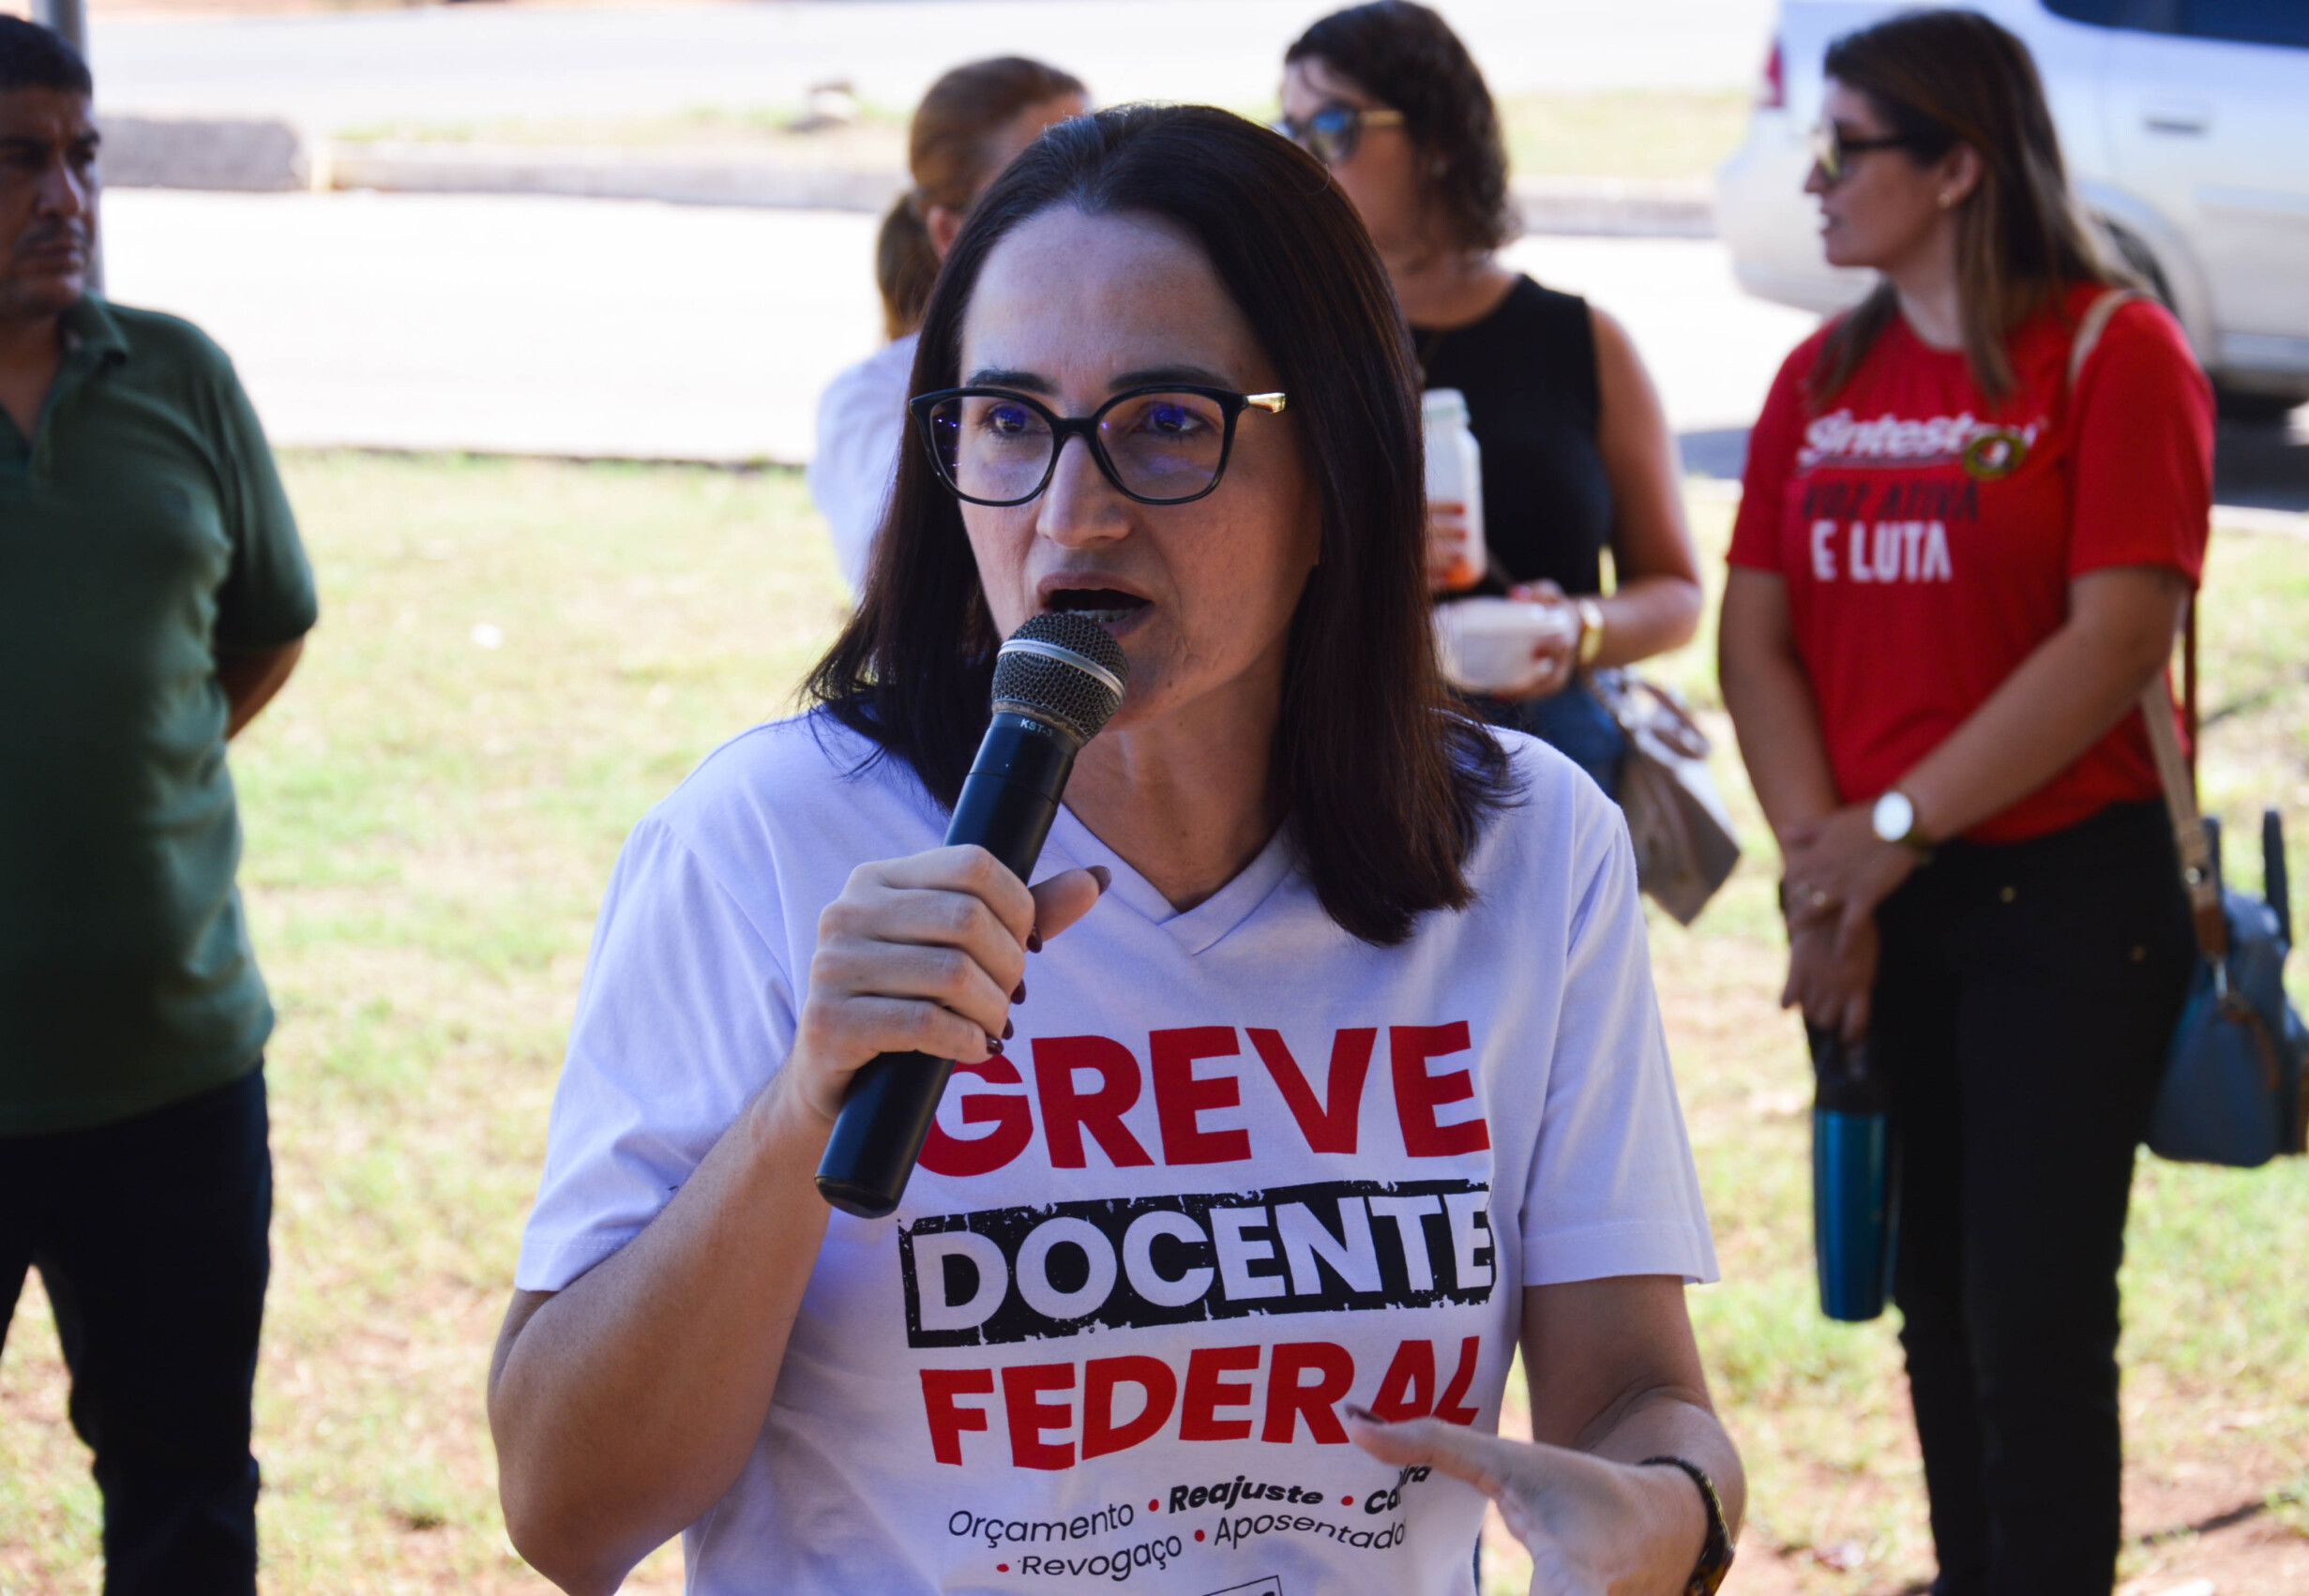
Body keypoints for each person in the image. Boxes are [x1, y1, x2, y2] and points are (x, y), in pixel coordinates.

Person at [490, 104, 1743, 1596]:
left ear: (1339, 464)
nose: (1071, 516)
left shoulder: (1531, 848)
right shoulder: (764, 838)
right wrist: (799, 1110)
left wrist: (1670, 1512)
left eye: (1166, 423)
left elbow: (1638, 1396)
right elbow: (567, 1509)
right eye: (1011, 421)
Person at [1716, 11, 2211, 1594]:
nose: (1814, 179)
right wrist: (1830, 878)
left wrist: (1890, 835)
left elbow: (2117, 638)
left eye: (1845, 147)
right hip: (1877, 896)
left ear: (1958, 168)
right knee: (1926, 1291)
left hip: (2062, 895)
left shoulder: (2113, 351)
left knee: (2033, 1310)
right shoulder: (1820, 372)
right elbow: (1755, 639)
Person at [0, 19, 317, 1595]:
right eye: (19, 159)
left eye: (82, 155)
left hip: (174, 1073)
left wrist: (134, 756)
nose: (66, 194)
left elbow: (262, 631)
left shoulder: (179, 374)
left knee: (188, 1490)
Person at [1279, 0, 1701, 795]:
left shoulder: (1580, 338)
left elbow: (1675, 594)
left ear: (1438, 140)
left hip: (1557, 758)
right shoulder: (1287, 340)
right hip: (1346, 751)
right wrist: (1366, 559)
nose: (1304, 156)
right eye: (1288, 129)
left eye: (1332, 126)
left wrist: (1575, 628)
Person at [811, 56, 1086, 594]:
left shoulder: (1120, 364)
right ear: (950, 235)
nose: (1092, 206)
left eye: (1103, 165)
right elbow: (903, 584)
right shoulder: (872, 400)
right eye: (1041, 191)